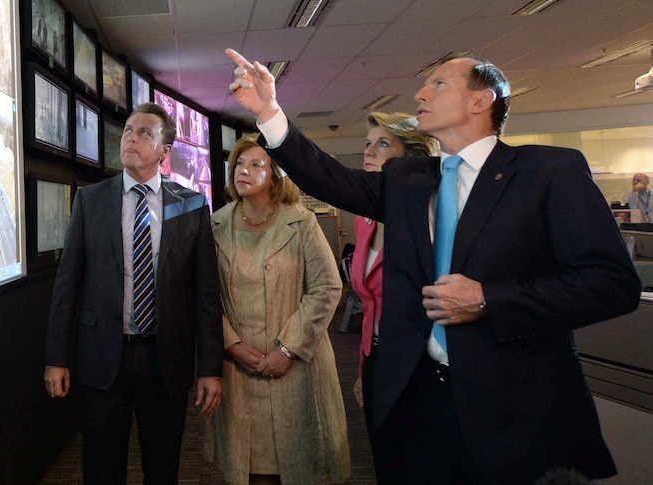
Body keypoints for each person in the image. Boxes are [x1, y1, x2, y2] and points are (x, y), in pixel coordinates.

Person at [224, 48, 641, 483]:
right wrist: (269, 112)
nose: (421, 93)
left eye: (439, 84)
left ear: (482, 101)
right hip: (417, 401)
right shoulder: (408, 178)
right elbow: (329, 178)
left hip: (512, 406)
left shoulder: (548, 171)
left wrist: (488, 300)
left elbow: (612, 283)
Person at [44, 102, 224, 485]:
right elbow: (67, 286)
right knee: (101, 468)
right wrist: (56, 357)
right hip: (103, 356)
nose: (132, 138)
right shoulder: (91, 201)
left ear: (164, 151)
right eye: (128, 130)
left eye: (145, 133)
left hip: (166, 359)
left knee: (162, 468)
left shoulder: (190, 205)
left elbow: (206, 295)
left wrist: (210, 366)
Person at [204, 134, 350, 484]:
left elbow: (327, 287)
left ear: (275, 176)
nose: (244, 170)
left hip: (296, 366)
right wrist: (233, 345)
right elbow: (206, 296)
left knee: (300, 465)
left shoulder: (300, 222)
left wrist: (287, 349)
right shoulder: (216, 224)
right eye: (240, 163)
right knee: (251, 467)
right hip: (239, 369)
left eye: (257, 164)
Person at [349, 112, 437, 463]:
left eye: (383, 143)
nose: (369, 152)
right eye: (367, 144)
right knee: (385, 460)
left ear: (410, 156)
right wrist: (361, 371)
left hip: (422, 364)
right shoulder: (364, 219)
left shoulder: (430, 214)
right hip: (376, 359)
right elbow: (370, 305)